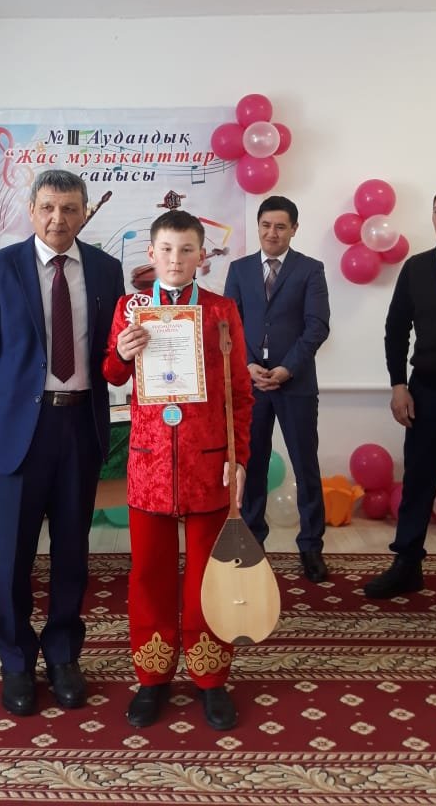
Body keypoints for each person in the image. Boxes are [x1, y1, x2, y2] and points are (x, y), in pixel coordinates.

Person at [0, 170, 124, 716]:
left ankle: (64, 653)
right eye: (48, 207)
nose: (58, 219)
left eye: (70, 208)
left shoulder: (106, 270)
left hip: (81, 427)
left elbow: (112, 354)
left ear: (84, 213)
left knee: (73, 551)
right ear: (30, 210)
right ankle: (16, 660)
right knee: (14, 556)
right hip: (17, 432)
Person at [103, 210, 252, 730]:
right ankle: (152, 678)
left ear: (201, 256)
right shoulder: (130, 308)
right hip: (149, 463)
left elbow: (240, 394)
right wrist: (122, 353)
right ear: (151, 253)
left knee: (209, 578)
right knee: (150, 576)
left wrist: (239, 457)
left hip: (207, 461)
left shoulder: (221, 311)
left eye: (187, 249)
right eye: (166, 249)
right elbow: (112, 373)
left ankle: (210, 678)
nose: (175, 259)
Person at [364, 185, 436, 603]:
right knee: (418, 483)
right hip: (424, 393)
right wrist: (398, 385)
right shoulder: (417, 268)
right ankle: (407, 567)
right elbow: (395, 329)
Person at [224, 196, 330, 583]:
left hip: (295, 383)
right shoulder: (239, 269)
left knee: (306, 465)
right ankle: (253, 543)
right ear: (258, 226)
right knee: (251, 466)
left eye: (281, 226)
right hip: (251, 385)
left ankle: (311, 547)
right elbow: (229, 325)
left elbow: (317, 326)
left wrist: (287, 368)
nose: (272, 233)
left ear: (294, 229)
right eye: (266, 225)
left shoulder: (310, 269)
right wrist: (247, 366)